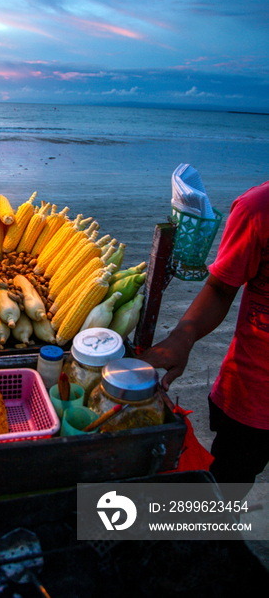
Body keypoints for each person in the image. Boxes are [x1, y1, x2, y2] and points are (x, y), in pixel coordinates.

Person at [142, 180, 269, 498]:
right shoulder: (258, 209)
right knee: (228, 487)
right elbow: (222, 287)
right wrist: (182, 338)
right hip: (256, 396)